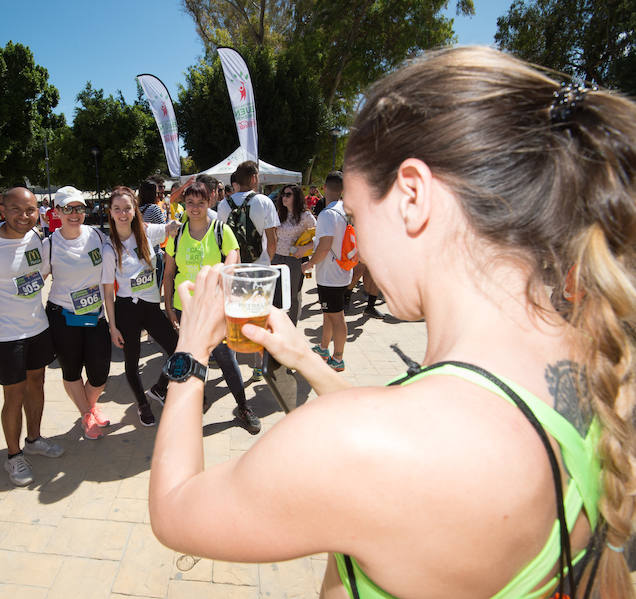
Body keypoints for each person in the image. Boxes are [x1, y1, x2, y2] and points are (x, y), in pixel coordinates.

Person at [148, 46, 636, 599]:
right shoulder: (596, 355)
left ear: (412, 196)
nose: (357, 244)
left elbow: (176, 509)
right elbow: (397, 423)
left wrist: (190, 350)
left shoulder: (359, 446)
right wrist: (305, 357)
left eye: (355, 215)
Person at [0, 187, 63, 487]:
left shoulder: (36, 236)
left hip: (38, 326)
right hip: (5, 334)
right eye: (16, 209)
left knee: (37, 384)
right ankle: (14, 455)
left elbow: (38, 274)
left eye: (30, 209)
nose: (24, 215)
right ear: (1, 209)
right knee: (13, 395)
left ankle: (34, 439)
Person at [163, 181, 261, 433]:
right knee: (191, 359)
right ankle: (195, 403)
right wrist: (168, 305)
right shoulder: (177, 233)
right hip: (185, 307)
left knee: (226, 359)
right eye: (190, 202)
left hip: (213, 310)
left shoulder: (221, 230)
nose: (194, 208)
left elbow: (233, 258)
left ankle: (242, 406)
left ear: (211, 203)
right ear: (184, 204)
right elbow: (170, 271)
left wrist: (223, 272)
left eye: (201, 203)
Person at [102, 186, 179, 426]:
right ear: (111, 213)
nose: (123, 213)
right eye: (117, 209)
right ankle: (142, 404)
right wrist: (112, 327)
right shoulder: (109, 247)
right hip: (127, 309)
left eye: (127, 208)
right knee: (131, 361)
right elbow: (107, 290)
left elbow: (173, 227)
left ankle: (159, 388)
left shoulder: (147, 232)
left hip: (151, 308)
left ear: (135, 210)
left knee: (177, 350)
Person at [45, 186, 115, 440]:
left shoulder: (97, 236)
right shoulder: (50, 244)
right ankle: (88, 414)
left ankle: (89, 407)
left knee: (99, 373)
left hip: (94, 316)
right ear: (57, 212)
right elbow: (37, 279)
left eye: (79, 208)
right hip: (62, 316)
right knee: (72, 371)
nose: (74, 214)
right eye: (67, 208)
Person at [302, 171, 352, 371]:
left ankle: (338, 358)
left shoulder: (328, 214)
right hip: (341, 271)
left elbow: (324, 246)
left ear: (324, 188)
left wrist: (309, 263)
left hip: (330, 275)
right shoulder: (345, 210)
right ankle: (324, 347)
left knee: (336, 316)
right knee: (329, 313)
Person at [216, 160, 280, 265]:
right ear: (254, 177)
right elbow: (272, 241)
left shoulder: (223, 204)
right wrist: (267, 261)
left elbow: (220, 237)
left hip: (232, 266)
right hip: (259, 266)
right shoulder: (264, 201)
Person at [273, 183, 316, 325]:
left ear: (296, 197)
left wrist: (305, 249)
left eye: (288, 194)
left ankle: (291, 327)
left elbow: (320, 238)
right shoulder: (279, 213)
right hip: (277, 257)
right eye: (283, 194)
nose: (284, 197)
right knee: (276, 293)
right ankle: (277, 325)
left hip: (295, 259)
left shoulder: (305, 216)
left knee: (292, 294)